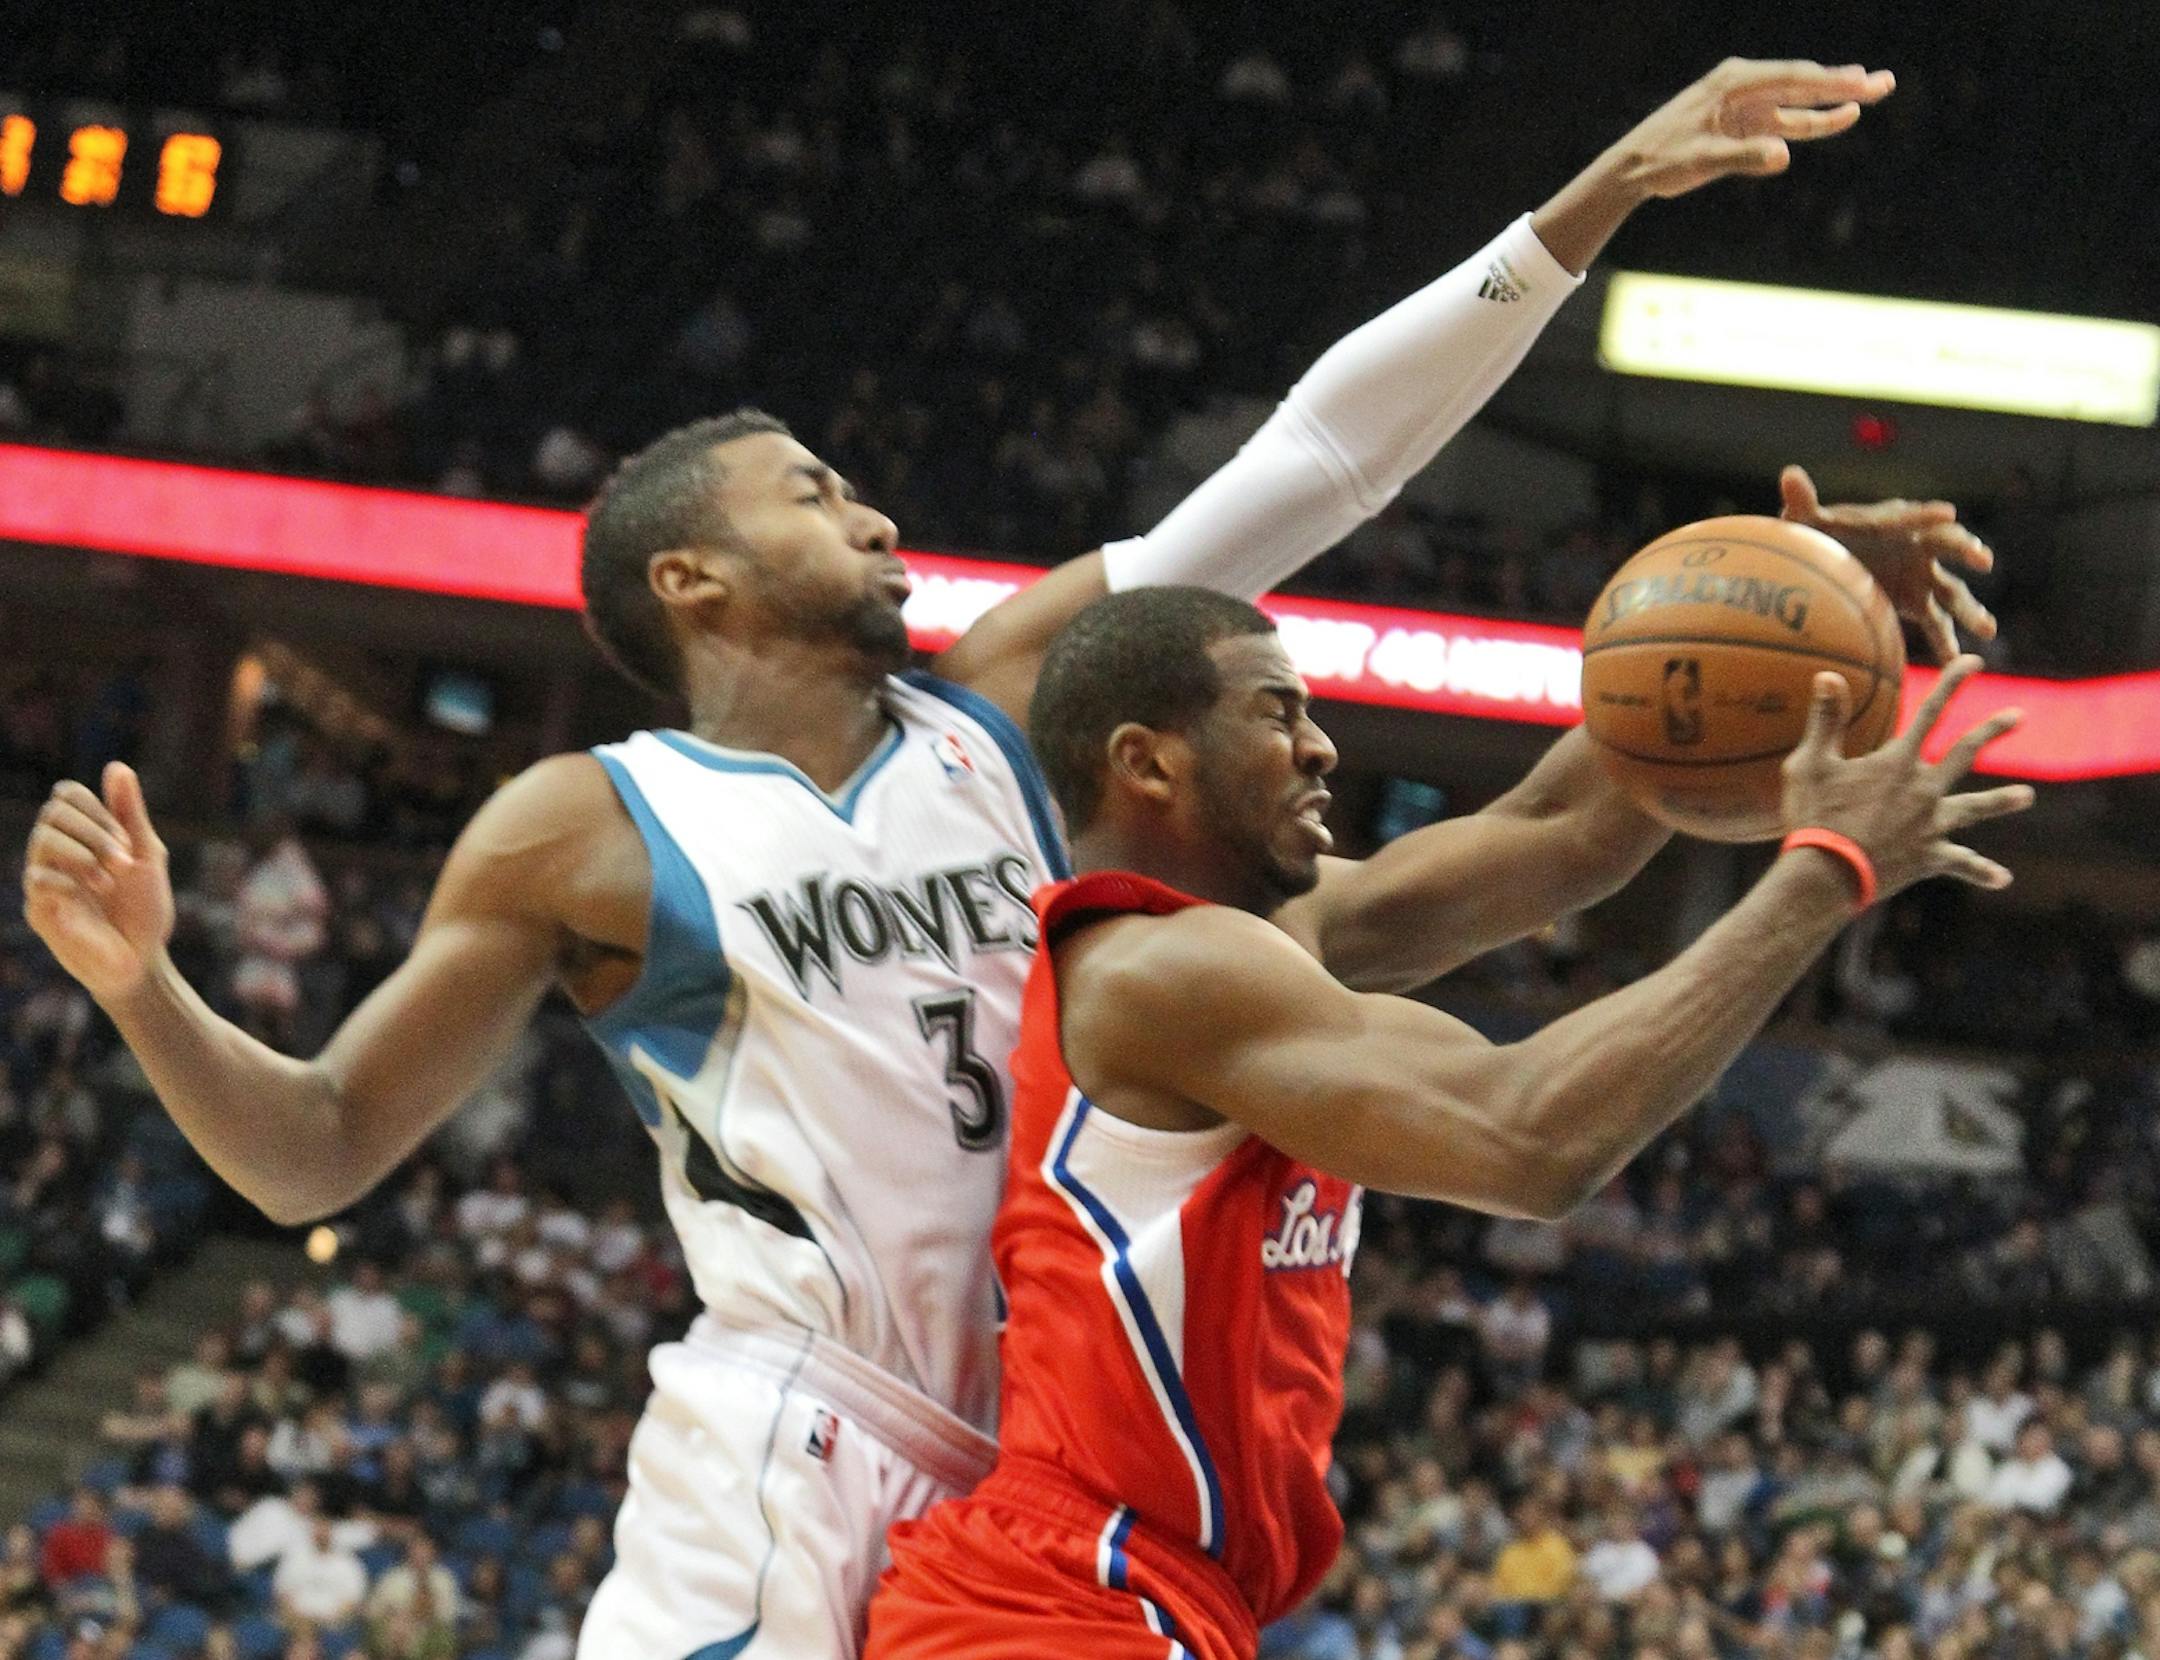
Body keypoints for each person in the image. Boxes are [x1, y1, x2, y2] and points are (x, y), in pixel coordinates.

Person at [23, 57, 1973, 1660]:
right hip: (803, 1446)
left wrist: (1595, 200)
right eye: (814, 491)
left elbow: (1319, 461)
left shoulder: (1002, 716)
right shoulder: (593, 821)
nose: (871, 511)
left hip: (1045, 1476)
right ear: (687, 574)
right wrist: (142, 984)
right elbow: (313, 1146)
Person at [863, 589, 2031, 1659]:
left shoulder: (1269, 947)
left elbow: (1557, 832)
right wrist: (1829, 869)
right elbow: (1531, 1138)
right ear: (1147, 763)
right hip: (1063, 1600)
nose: (1323, 745)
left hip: (1133, 1594)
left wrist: (1783, 600)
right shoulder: (1159, 971)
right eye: (1278, 712)